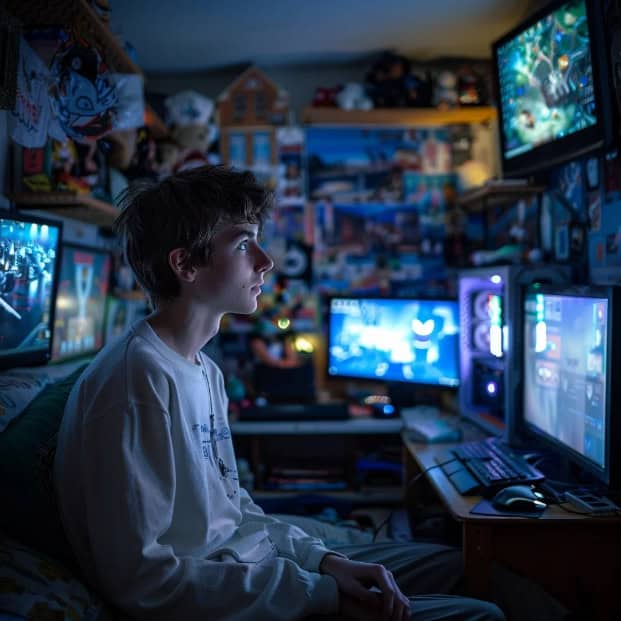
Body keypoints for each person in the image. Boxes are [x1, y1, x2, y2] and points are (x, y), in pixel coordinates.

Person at [54, 165, 504, 621]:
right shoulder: (137, 381)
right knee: (482, 616)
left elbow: (232, 509)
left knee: (455, 564)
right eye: (245, 243)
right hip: (230, 595)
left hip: (258, 569)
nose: (266, 261)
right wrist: (325, 595)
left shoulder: (204, 370)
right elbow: (144, 581)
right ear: (185, 264)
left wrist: (324, 561)